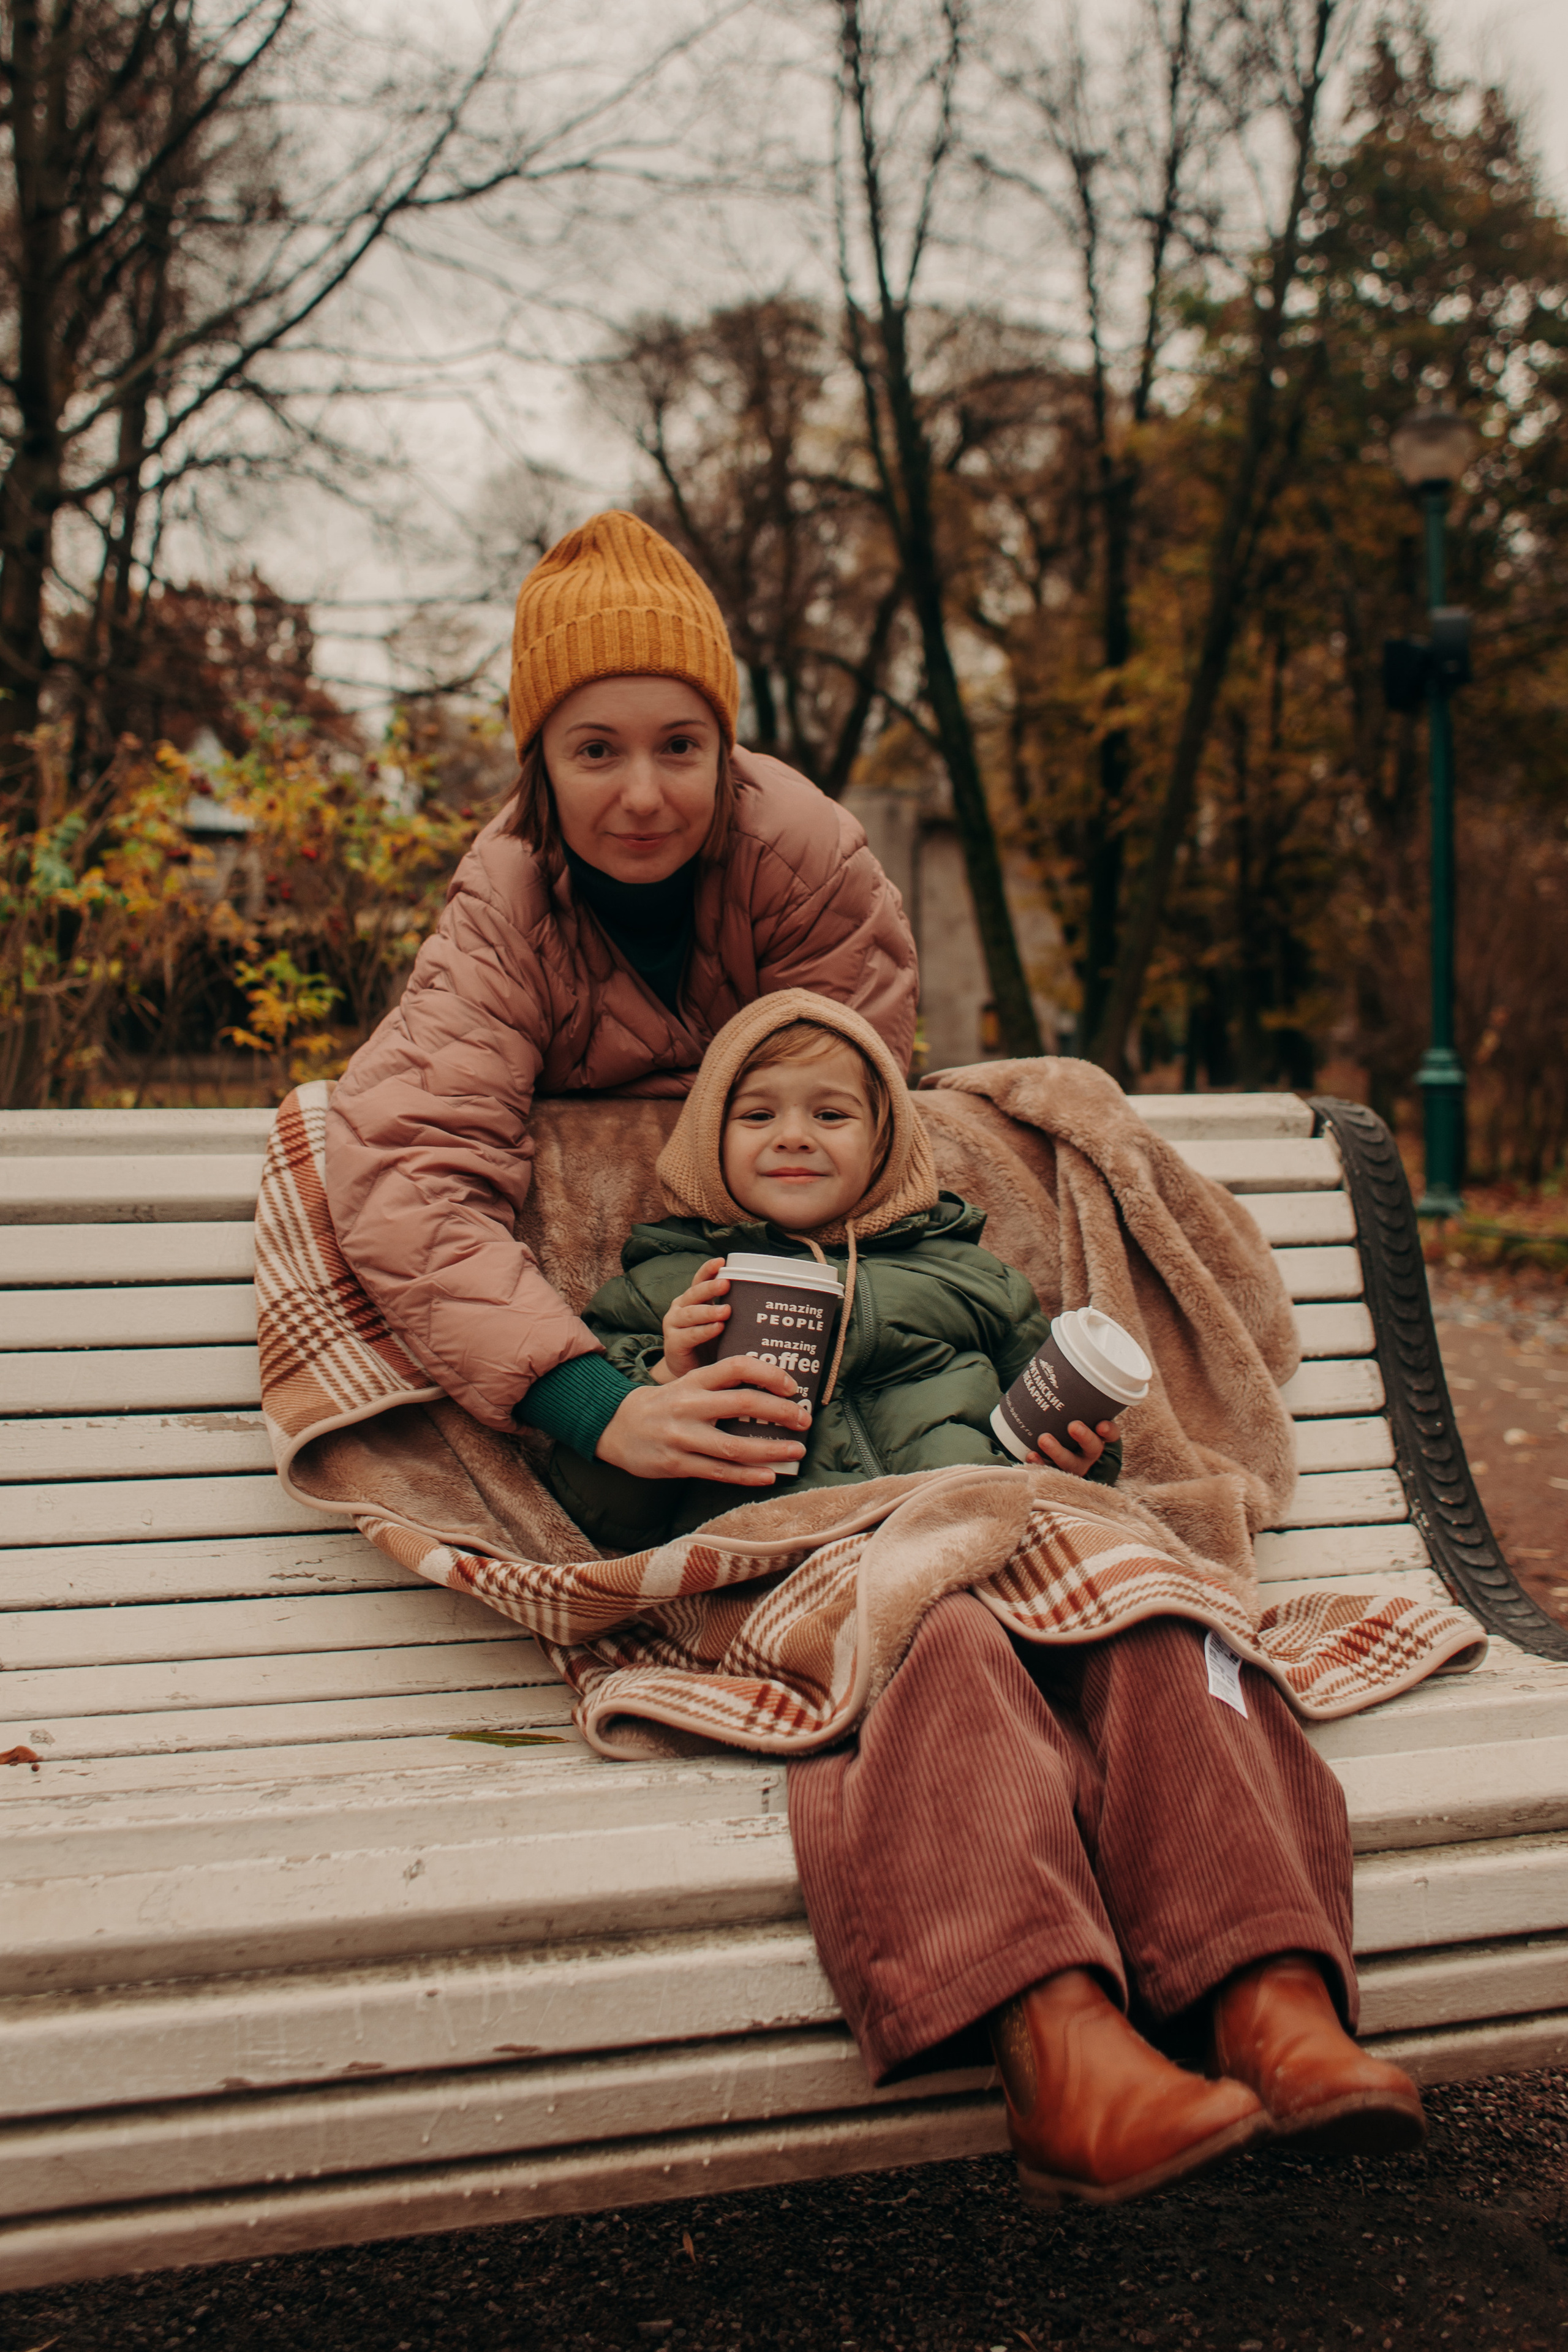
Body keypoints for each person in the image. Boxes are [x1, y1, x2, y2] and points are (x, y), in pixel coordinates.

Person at [548, 990, 1427, 2211]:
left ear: (885, 1141)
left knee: (1151, 1614)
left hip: (993, 1525)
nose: (792, 1134)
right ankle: (1057, 2048)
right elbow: (608, 1516)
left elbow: (1052, 1439)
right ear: (708, 1141)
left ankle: (1265, 1995)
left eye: (829, 1112)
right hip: (802, 1559)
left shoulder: (968, 1280)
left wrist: (1076, 1454)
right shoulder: (657, 1299)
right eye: (756, 1113)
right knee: (941, 1635)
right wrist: (668, 1394)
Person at [325, 510, 918, 1496]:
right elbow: (408, 1167)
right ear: (542, 765)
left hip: (798, 1288)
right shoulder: (505, 903)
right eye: (596, 751)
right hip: (591, 1304)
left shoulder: (808, 859)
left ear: (723, 751)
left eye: (680, 746)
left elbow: (855, 1121)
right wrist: (598, 1406)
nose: (643, 796)